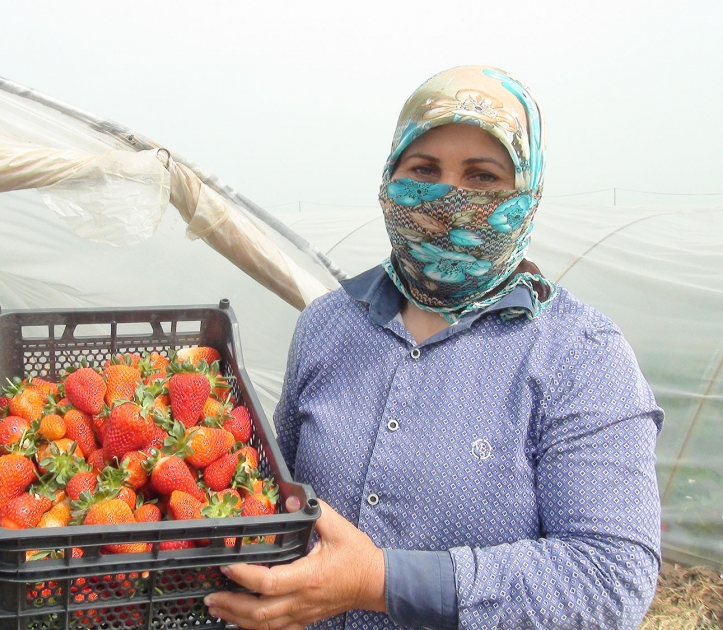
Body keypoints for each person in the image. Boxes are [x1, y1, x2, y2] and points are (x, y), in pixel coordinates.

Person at [204, 65, 663, 629]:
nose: (448, 198)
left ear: (527, 192)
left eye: (483, 176)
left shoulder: (581, 355)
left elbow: (610, 579)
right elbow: (285, 496)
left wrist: (380, 581)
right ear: (389, 176)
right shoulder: (328, 324)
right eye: (424, 169)